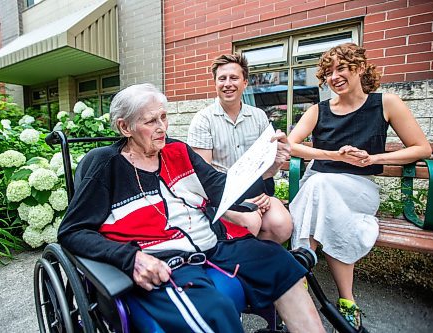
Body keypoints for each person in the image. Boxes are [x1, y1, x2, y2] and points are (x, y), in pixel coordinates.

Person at [57, 83, 325, 333]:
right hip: (165, 261)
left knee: (279, 260)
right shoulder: (106, 166)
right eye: (151, 121)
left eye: (163, 117)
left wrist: (267, 166)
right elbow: (72, 231)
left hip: (212, 246)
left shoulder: (178, 151)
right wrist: (131, 259)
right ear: (125, 127)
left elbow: (223, 187)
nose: (162, 126)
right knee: (214, 311)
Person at [287, 43, 432, 329]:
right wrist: (331, 155)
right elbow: (291, 145)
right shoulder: (319, 110)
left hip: (359, 188)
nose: (334, 76)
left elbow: (422, 148)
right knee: (321, 188)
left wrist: (374, 158)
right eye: (328, 72)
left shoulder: (386, 103)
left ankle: (300, 280)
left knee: (319, 187)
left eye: (341, 68)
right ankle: (347, 299)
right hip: (320, 185)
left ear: (360, 67)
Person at [187, 53, 293, 243]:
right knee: (250, 223)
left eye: (234, 78)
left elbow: (265, 168)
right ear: (215, 83)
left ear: (245, 82)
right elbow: (204, 175)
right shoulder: (203, 120)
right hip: (220, 196)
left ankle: (256, 259)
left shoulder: (259, 117)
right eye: (222, 78)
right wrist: (240, 202)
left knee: (282, 225)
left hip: (256, 189)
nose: (228, 83)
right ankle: (239, 259)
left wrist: (277, 162)